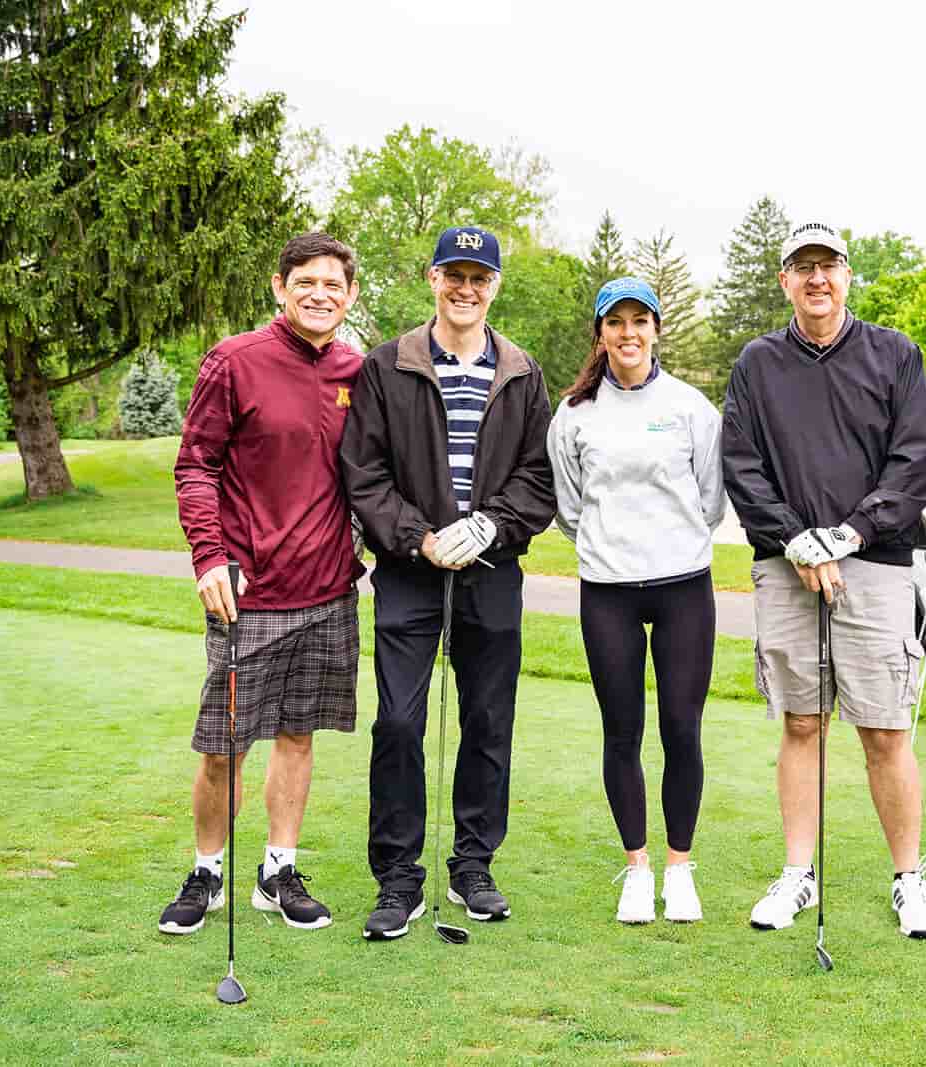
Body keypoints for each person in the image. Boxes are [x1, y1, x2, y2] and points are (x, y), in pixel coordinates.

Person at [722, 221, 926, 939]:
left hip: (873, 564)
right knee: (801, 721)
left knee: (884, 729)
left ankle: (909, 878)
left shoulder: (895, 354)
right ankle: (798, 873)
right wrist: (795, 539)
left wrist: (848, 533)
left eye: (829, 265)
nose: (817, 279)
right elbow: (743, 465)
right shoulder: (757, 363)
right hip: (786, 566)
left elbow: (914, 464)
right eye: (802, 267)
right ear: (784, 280)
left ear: (848, 274)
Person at [340, 226, 556, 940]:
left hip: (492, 572)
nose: (467, 289)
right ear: (432, 277)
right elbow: (363, 474)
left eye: (480, 277)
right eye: (454, 275)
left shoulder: (522, 372)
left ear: (495, 285)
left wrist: (493, 525)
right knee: (399, 721)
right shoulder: (386, 365)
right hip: (409, 571)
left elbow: (538, 479)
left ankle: (473, 865)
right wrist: (418, 536)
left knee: (488, 722)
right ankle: (398, 876)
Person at [163, 232, 366, 935]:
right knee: (223, 745)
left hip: (330, 589)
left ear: (350, 295)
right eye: (305, 280)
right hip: (248, 593)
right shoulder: (234, 360)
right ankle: (207, 871)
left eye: (333, 284)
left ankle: (277, 869)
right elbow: (196, 465)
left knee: (298, 734)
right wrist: (208, 556)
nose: (319, 293)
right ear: (280, 287)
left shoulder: (355, 369)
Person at [547, 277, 725, 924]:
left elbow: (710, 500)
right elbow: (569, 508)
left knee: (681, 727)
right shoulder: (575, 413)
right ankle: (637, 867)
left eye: (639, 321)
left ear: (656, 329)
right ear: (600, 332)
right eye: (615, 322)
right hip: (608, 590)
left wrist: (666, 544)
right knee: (622, 731)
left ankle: (679, 868)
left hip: (683, 586)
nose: (628, 333)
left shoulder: (690, 407)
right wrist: (612, 544)